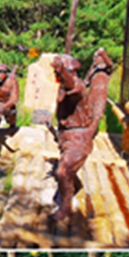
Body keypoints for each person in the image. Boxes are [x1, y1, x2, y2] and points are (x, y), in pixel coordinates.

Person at [52, 49, 115, 231]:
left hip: (79, 137)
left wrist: (62, 70)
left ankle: (65, 208)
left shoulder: (76, 87)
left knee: (62, 172)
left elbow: (75, 86)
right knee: (65, 170)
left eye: (59, 73)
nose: (57, 75)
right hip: (67, 135)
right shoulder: (68, 85)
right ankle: (74, 184)